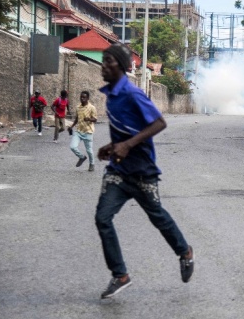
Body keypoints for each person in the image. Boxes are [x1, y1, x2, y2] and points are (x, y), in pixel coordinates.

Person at [95, 43, 193, 299]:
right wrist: (112, 146)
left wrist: (127, 145)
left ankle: (185, 252)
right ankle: (120, 275)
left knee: (158, 217)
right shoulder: (112, 94)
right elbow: (126, 129)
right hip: (118, 171)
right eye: (103, 61)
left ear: (123, 67)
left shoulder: (132, 94)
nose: (103, 66)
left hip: (142, 173)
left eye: (109, 61)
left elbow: (160, 123)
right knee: (103, 218)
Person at [68, 91, 97, 171]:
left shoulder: (92, 108)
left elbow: (95, 119)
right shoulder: (78, 107)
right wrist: (71, 126)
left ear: (88, 98)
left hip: (88, 131)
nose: (82, 99)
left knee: (89, 150)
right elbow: (77, 119)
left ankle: (92, 164)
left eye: (84, 97)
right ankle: (82, 157)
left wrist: (89, 119)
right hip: (78, 131)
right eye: (81, 97)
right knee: (73, 146)